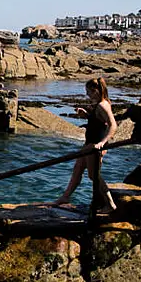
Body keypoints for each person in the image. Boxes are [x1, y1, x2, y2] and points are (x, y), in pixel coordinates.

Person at [54, 78, 118, 213]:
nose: (87, 94)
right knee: (78, 168)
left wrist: (101, 144)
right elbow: (98, 122)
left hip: (95, 145)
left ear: (96, 90)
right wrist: (87, 115)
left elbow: (113, 125)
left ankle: (110, 204)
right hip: (89, 144)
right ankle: (65, 197)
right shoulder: (99, 104)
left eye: (88, 91)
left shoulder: (102, 105)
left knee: (93, 175)